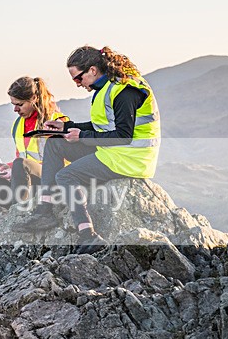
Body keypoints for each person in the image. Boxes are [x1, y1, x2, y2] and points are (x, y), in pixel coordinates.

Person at [20, 46, 161, 254]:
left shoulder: (125, 91)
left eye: (78, 78)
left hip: (130, 158)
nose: (77, 84)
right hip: (114, 151)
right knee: (55, 143)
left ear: (93, 70)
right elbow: (102, 126)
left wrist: (82, 136)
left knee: (66, 176)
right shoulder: (107, 88)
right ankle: (44, 211)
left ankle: (88, 235)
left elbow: (123, 135)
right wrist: (66, 127)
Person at [0, 76, 68, 203]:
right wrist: (9, 167)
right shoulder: (17, 125)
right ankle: (9, 209)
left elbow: (64, 161)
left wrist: (17, 168)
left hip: (54, 179)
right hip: (30, 179)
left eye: (20, 105)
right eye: (13, 105)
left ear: (34, 98)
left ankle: (18, 210)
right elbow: (22, 157)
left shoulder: (56, 122)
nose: (15, 110)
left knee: (20, 165)